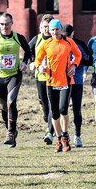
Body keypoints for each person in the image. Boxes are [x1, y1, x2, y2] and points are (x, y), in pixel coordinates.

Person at [0, 12, 32, 147]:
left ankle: (10, 133)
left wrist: (25, 63)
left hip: (14, 75)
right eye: (2, 24)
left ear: (12, 23)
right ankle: (11, 129)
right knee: (3, 107)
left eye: (7, 24)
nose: (4, 26)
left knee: (11, 101)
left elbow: (28, 52)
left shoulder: (18, 37)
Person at [34, 19, 82, 151]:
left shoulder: (68, 41)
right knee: (54, 112)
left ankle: (65, 136)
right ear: (49, 31)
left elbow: (78, 55)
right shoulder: (46, 43)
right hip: (50, 81)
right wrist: (40, 67)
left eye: (57, 29)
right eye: (52, 30)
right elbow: (37, 60)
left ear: (61, 29)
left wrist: (74, 65)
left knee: (63, 109)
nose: (55, 32)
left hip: (66, 80)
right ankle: (59, 139)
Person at [64, 24, 92, 147]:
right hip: (62, 82)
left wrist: (76, 63)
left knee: (76, 110)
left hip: (77, 81)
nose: (66, 38)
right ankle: (64, 135)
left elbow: (89, 60)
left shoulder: (80, 44)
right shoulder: (59, 43)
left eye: (68, 35)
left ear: (72, 33)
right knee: (62, 110)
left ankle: (77, 135)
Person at [28, 14, 55, 145]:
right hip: (40, 77)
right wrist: (31, 63)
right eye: (44, 27)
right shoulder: (36, 39)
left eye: (49, 27)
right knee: (44, 103)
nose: (47, 30)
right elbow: (27, 54)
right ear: (40, 27)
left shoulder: (57, 40)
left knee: (51, 105)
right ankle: (47, 117)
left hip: (55, 78)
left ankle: (50, 132)